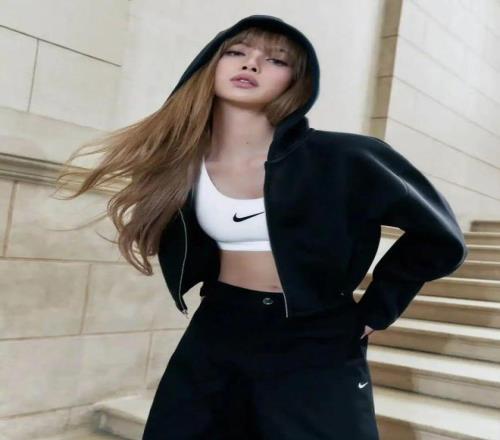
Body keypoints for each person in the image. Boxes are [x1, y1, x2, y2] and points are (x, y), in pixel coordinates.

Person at [55, 14, 468, 440]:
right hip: (220, 323)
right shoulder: (182, 165)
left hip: (315, 332)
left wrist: (376, 311)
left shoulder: (343, 156)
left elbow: (439, 237)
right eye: (236, 52)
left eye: (276, 60)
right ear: (209, 65)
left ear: (296, 82)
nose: (250, 63)